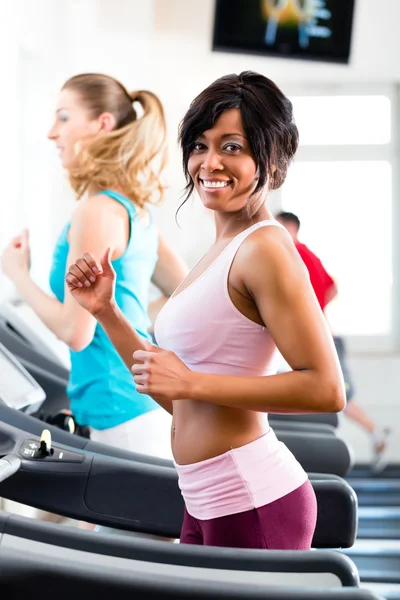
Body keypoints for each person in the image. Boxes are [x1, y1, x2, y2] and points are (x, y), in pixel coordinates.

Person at [65, 71, 345, 550]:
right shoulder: (222, 248)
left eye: (232, 146)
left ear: (269, 156)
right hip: (204, 500)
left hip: (253, 503)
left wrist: (191, 382)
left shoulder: (266, 248)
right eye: (199, 144)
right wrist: (107, 311)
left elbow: (326, 388)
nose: (209, 162)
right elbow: (176, 393)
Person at [1, 73, 188, 458]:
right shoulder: (134, 209)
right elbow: (185, 290)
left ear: (102, 124)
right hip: (138, 407)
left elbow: (76, 331)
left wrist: (17, 272)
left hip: (122, 415)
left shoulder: (96, 211)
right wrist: (129, 319)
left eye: (64, 117)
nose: (53, 133)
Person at [276, 211, 391, 472]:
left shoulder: (294, 253)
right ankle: (375, 433)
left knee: (340, 397)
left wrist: (312, 313)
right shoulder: (305, 255)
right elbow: (332, 287)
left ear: (289, 227)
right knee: (336, 397)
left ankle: (375, 433)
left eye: (278, 224)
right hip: (319, 333)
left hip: (323, 337)